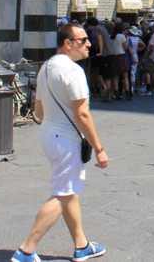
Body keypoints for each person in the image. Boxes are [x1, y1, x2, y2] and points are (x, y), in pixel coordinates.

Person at [12, 23, 108, 262]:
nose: (89, 44)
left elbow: (39, 109)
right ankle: (26, 249)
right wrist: (99, 148)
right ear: (68, 43)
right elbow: (82, 114)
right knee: (63, 193)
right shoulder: (73, 71)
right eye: (83, 40)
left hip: (49, 134)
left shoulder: (46, 66)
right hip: (66, 138)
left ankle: (82, 245)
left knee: (69, 190)